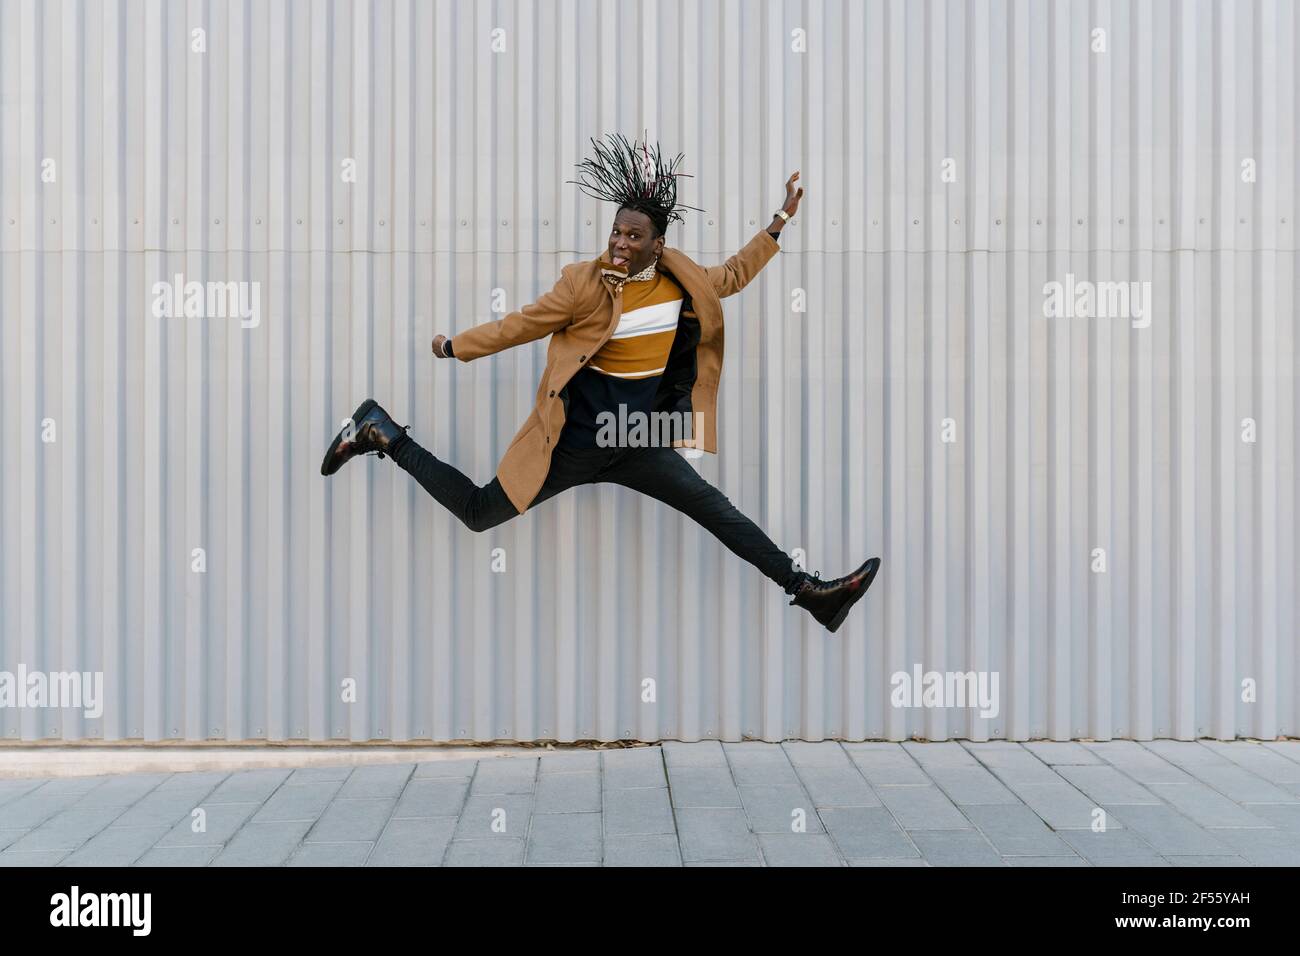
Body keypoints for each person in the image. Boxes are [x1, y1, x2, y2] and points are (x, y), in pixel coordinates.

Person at [320, 132, 879, 633]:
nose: (619, 243)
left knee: (716, 510)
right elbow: (519, 325)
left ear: (657, 246)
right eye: (615, 231)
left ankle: (810, 593)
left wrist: (777, 224)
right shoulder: (583, 286)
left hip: (633, 439)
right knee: (478, 513)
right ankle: (383, 432)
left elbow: (730, 276)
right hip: (572, 444)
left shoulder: (680, 279)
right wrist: (455, 346)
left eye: (633, 236)